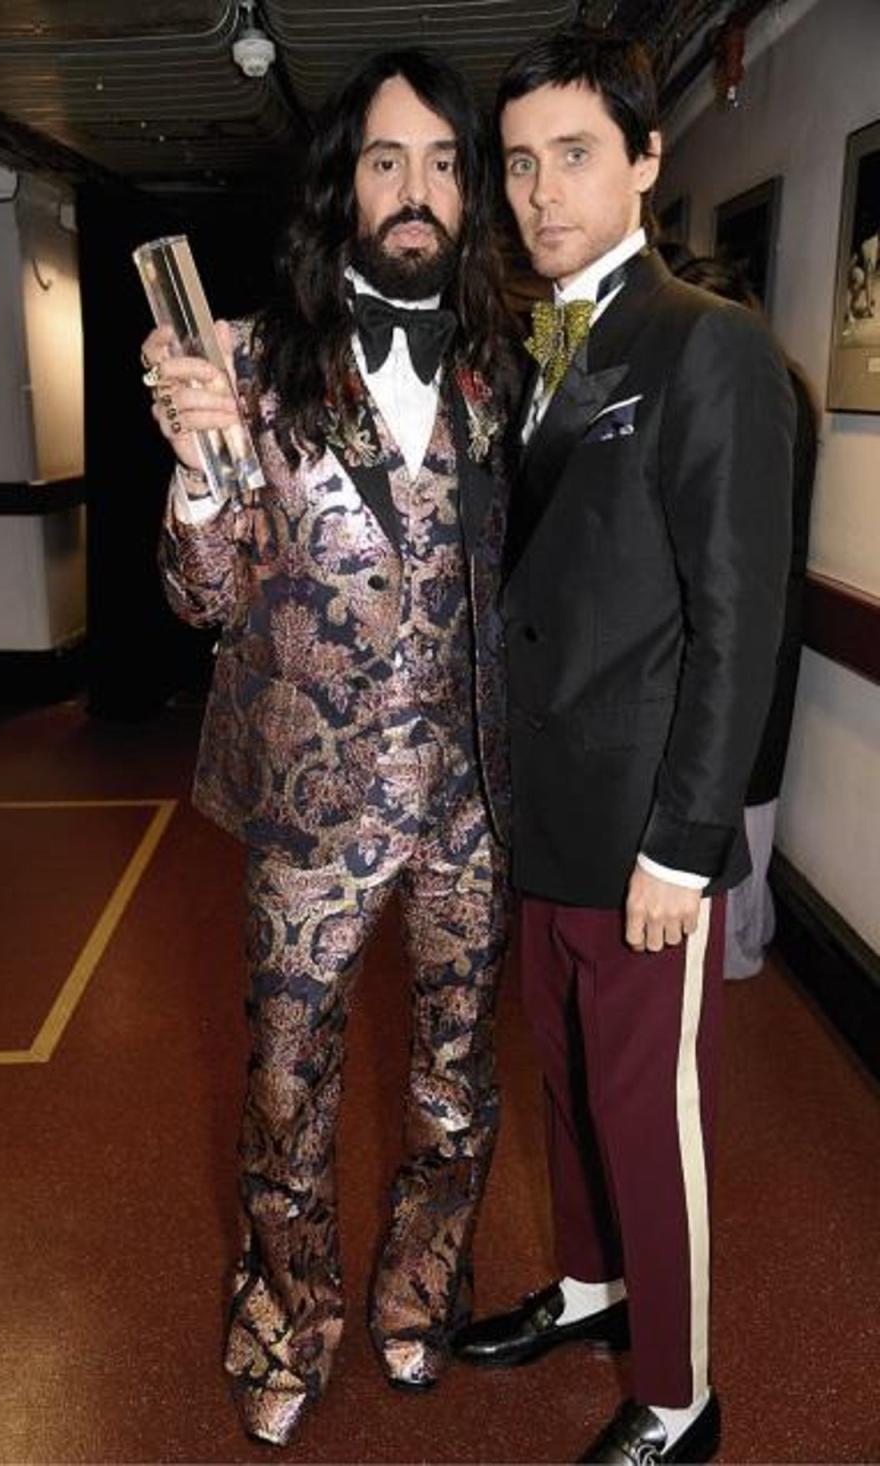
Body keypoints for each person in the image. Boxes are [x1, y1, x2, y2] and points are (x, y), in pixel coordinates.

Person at [140, 48, 516, 1448]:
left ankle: (420, 1299)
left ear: (467, 193)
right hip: (309, 815)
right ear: (342, 186)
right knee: (288, 1093)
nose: (414, 191)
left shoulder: (503, 372)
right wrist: (194, 473)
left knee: (455, 1086)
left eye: (441, 164)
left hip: (469, 811)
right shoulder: (239, 362)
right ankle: (285, 1324)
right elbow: (200, 596)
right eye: (385, 160)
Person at [452, 29, 794, 1466]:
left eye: (574, 154)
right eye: (520, 163)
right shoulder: (530, 346)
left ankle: (678, 1392)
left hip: (644, 828)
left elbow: (743, 621)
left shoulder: (705, 346)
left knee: (651, 1119)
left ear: (649, 160)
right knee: (569, 1085)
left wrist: (685, 843)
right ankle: (593, 1290)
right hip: (547, 813)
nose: (539, 191)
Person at [671, 255, 818, 980]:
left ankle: (737, 946)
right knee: (739, 785)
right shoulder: (781, 386)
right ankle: (736, 941)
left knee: (743, 786)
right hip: (756, 612)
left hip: (754, 616)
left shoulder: (762, 389)